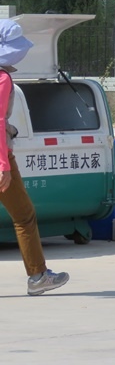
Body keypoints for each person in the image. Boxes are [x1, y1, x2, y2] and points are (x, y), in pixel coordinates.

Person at [0, 19, 70, 296]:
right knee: (24, 216)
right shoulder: (3, 79)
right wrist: (3, 165)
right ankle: (38, 275)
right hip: (1, 159)